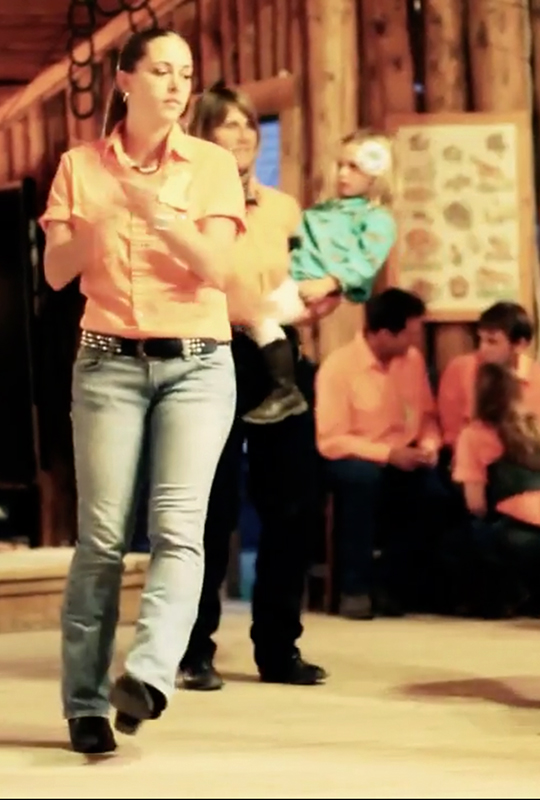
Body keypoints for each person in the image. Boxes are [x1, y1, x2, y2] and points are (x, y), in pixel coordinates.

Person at [39, 28, 245, 754]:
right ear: (125, 80)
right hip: (106, 364)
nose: (176, 83)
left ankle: (149, 676)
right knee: (99, 538)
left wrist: (159, 215)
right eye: (161, 69)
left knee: (179, 527)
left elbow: (218, 268)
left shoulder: (213, 164)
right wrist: (101, 226)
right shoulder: (77, 166)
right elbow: (57, 272)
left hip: (197, 364)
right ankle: (86, 704)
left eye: (185, 72)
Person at [177, 82, 333, 691]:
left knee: (291, 505)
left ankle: (278, 648)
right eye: (228, 125)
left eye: (249, 125)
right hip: (209, 351)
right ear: (203, 135)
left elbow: (307, 281)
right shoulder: (188, 203)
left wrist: (319, 297)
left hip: (277, 357)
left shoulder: (285, 208)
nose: (242, 135)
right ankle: (194, 649)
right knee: (210, 509)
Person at [243, 128, 398, 425]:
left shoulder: (377, 219)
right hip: (286, 278)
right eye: (340, 164)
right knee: (253, 313)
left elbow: (366, 260)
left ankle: (285, 389)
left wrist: (331, 282)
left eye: (354, 167)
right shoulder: (323, 209)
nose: (343, 173)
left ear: (376, 172)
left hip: (310, 288)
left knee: (257, 315)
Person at [316, 288, 446, 619]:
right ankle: (354, 589)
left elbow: (427, 416)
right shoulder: (339, 367)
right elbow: (330, 440)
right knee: (363, 481)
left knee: (434, 491)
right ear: (385, 334)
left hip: (403, 452)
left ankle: (394, 587)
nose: (417, 341)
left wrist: (429, 447)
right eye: (412, 333)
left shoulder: (412, 361)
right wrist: (387, 454)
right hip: (353, 456)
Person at [451, 362, 540, 617]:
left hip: (514, 539)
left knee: (461, 536)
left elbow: (475, 504)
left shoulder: (474, 435)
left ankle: (495, 602)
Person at [437, 301, 540, 460]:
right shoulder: (461, 369)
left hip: (525, 463)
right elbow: (451, 431)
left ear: (520, 344)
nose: (483, 349)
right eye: (480, 340)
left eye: (492, 342)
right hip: (473, 459)